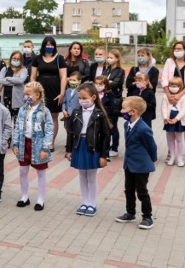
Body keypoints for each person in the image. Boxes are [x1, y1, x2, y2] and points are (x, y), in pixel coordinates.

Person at [65, 83, 110, 217]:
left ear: (93, 97)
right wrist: (69, 150)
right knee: (82, 175)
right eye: (80, 98)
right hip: (79, 145)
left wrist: (104, 155)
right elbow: (70, 132)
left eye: (84, 97)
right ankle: (84, 202)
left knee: (91, 176)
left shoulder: (99, 114)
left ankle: (92, 203)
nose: (82, 100)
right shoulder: (76, 112)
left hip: (92, 146)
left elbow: (106, 136)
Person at [115, 97, 157, 230]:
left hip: (141, 165)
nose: (121, 111)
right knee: (128, 189)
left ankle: (147, 216)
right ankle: (130, 213)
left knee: (142, 191)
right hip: (129, 164)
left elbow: (152, 146)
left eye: (123, 108)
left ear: (133, 111)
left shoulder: (143, 128)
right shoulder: (126, 124)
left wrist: (152, 159)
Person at [13, 82, 53, 211]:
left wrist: (45, 148)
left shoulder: (44, 111)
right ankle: (24, 196)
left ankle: (40, 199)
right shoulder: (22, 109)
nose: (25, 97)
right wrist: (15, 143)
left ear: (37, 95)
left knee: (40, 172)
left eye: (28, 94)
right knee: (23, 171)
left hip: (38, 145)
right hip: (24, 144)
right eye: (25, 94)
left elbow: (49, 130)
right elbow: (17, 127)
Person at [30, 36, 67, 152]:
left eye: (52, 45)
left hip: (54, 88)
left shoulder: (59, 58)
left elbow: (64, 76)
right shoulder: (37, 58)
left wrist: (62, 93)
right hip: (40, 89)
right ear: (43, 45)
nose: (49, 46)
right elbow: (32, 76)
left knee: (53, 116)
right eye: (47, 44)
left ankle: (51, 142)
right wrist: (33, 90)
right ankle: (39, 140)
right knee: (39, 116)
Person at [104, 49, 125, 157]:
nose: (109, 59)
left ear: (117, 59)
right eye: (108, 57)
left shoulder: (120, 71)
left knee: (113, 124)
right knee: (105, 124)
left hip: (114, 100)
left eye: (111, 57)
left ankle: (115, 147)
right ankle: (105, 146)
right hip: (104, 99)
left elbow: (116, 84)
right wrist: (107, 82)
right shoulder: (106, 69)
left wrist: (106, 83)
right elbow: (100, 81)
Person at [0, 50, 28, 119]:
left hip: (17, 99)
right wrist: (15, 81)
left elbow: (21, 81)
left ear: (21, 60)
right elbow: (0, 80)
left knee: (17, 122)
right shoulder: (5, 69)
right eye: (14, 58)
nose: (15, 60)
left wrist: (8, 78)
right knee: (6, 121)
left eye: (18, 59)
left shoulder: (23, 70)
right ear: (11, 58)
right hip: (5, 98)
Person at [162, 77, 185, 167]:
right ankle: (172, 157)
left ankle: (180, 158)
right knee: (170, 138)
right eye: (171, 85)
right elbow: (164, 107)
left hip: (179, 120)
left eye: (175, 86)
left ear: (180, 87)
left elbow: (184, 110)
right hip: (169, 120)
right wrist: (165, 117)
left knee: (179, 138)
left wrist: (176, 119)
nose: (173, 87)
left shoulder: (183, 97)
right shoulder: (165, 96)